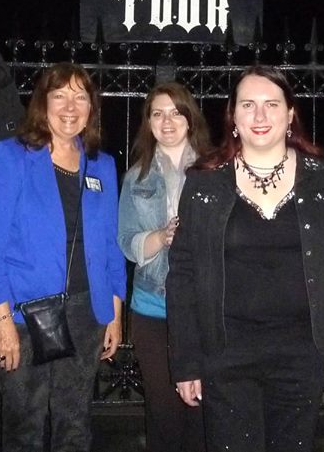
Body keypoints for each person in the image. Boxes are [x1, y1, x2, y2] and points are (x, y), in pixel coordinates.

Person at [166, 65, 324, 452]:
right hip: (226, 354)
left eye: (271, 104)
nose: (259, 115)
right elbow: (183, 278)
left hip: (301, 354)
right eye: (248, 105)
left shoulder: (323, 179)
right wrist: (186, 362)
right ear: (233, 116)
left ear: (290, 114)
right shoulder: (204, 183)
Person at [0, 62, 126, 452]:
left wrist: (113, 312)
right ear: (43, 103)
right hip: (26, 313)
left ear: (91, 107)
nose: (70, 106)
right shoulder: (12, 156)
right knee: (24, 424)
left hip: (87, 313)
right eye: (60, 95)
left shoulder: (102, 165)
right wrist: (1, 320)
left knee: (75, 421)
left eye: (80, 97)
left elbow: (110, 245)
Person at [118, 83, 211, 452]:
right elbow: (125, 240)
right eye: (158, 113)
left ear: (190, 119)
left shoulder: (215, 171)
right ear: (149, 122)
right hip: (152, 308)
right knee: (164, 409)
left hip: (201, 308)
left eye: (175, 112)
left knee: (200, 407)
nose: (167, 121)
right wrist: (160, 237)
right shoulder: (136, 177)